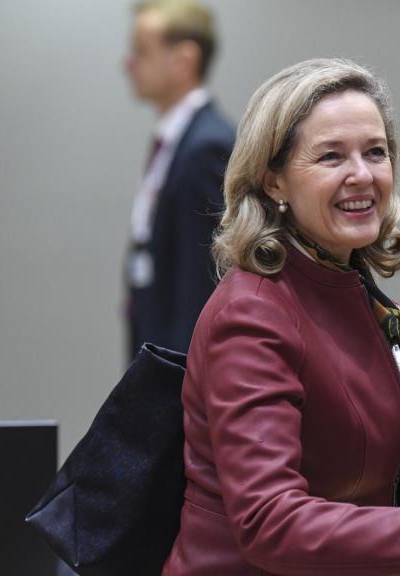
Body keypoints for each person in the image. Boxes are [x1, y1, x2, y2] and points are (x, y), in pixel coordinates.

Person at [161, 58, 400, 576]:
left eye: (375, 152)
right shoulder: (252, 314)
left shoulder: (344, 285)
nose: (362, 174)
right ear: (273, 182)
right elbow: (270, 522)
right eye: (331, 156)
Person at [123, 0, 234, 359]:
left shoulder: (206, 146)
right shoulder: (178, 139)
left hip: (179, 360)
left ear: (183, 60)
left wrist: (173, 378)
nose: (128, 64)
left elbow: (202, 280)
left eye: (142, 51)